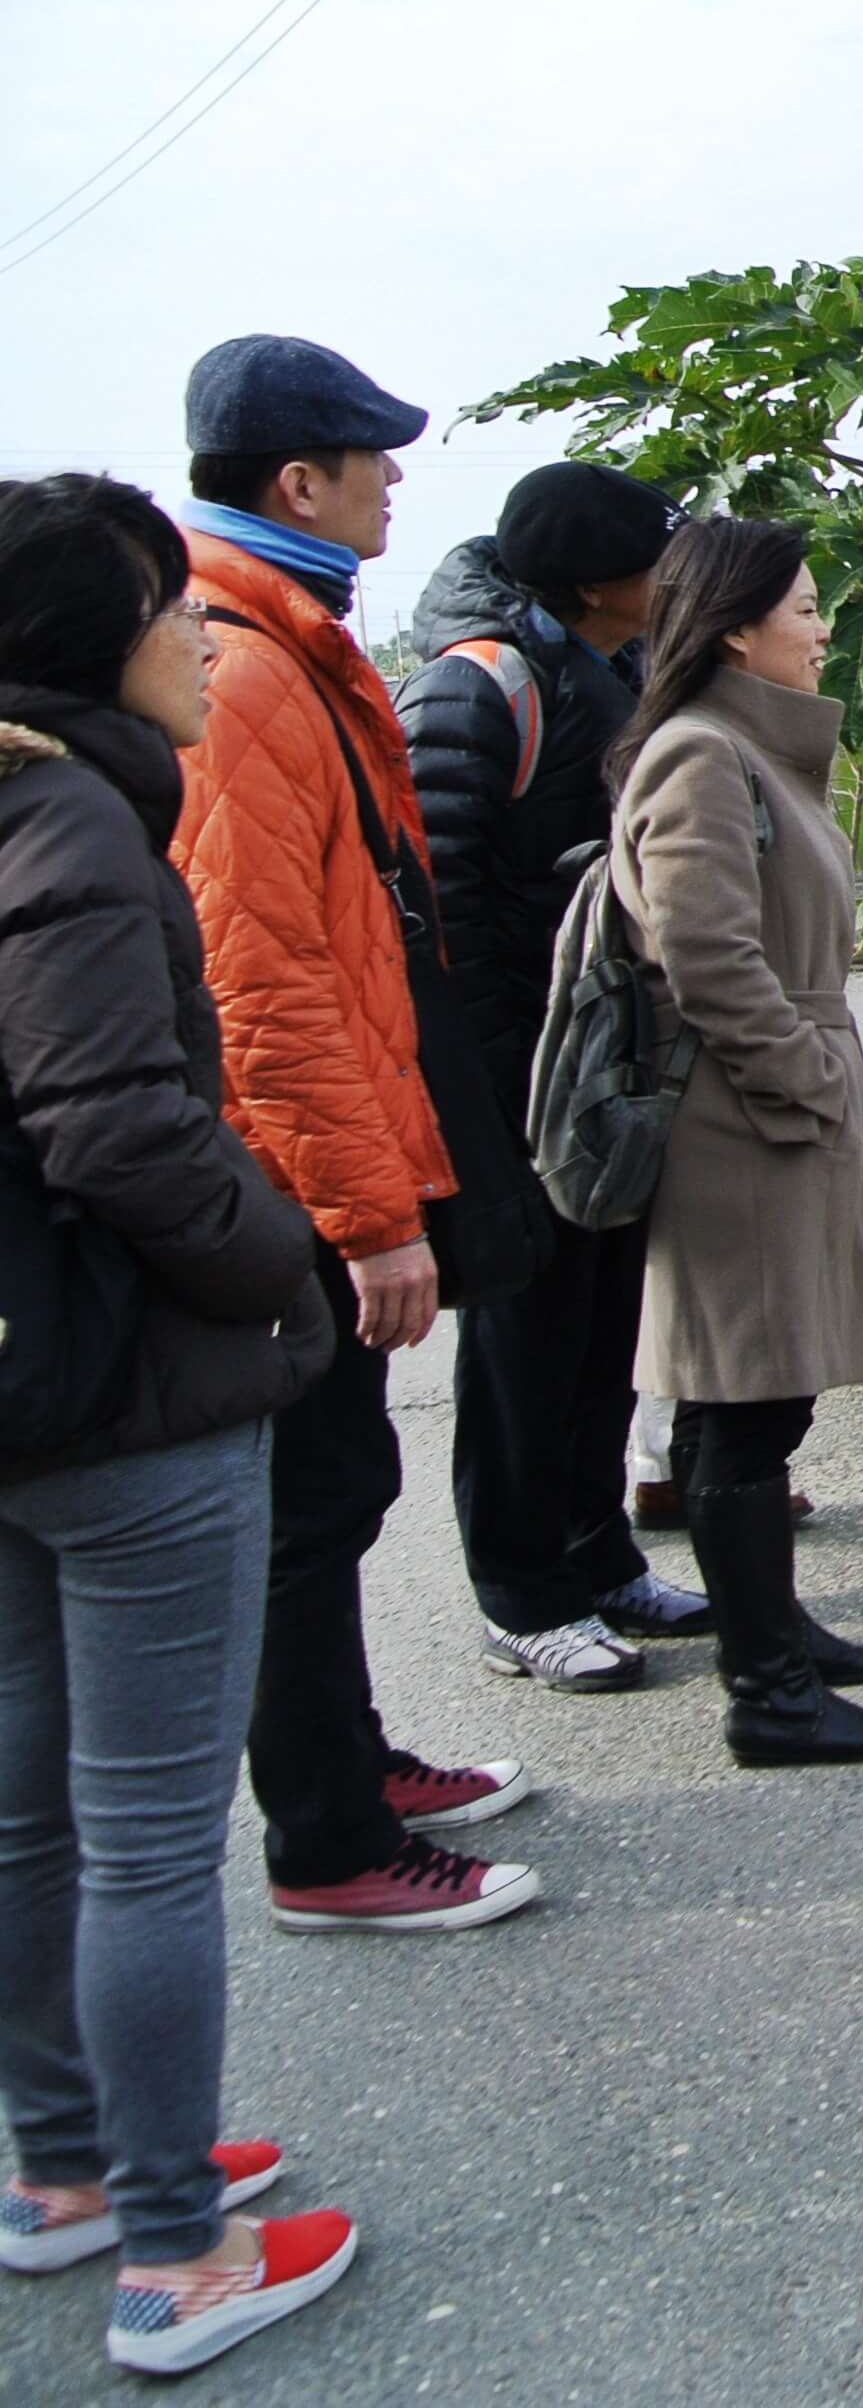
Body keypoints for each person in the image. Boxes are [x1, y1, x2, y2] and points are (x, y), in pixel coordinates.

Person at [0, 476, 363, 2374]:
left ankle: (65, 2168)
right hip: (132, 1396)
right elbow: (112, 1123)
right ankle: (177, 2249)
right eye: (173, 610)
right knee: (145, 1837)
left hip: (21, 1392)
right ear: (97, 637)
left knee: (28, 1810)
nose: (201, 642)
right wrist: (275, 1254)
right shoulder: (67, 812)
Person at [173, 334, 537, 1935]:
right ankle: (325, 1840)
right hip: (292, 1181)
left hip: (317, 1157)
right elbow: (261, 983)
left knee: (334, 1488)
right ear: (296, 482)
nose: (394, 480)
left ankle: (350, 1764)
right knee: (310, 1503)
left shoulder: (284, 639)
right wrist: (367, 1212)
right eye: (369, 455)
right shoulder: (245, 668)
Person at [396, 462, 717, 1693]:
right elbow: (439, 913)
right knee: (522, 1346)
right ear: (593, 582)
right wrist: (488, 1093)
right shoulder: (478, 687)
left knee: (597, 1328)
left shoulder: (612, 666)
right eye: (659, 558)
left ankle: (598, 1558)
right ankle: (522, 1597)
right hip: (516, 1080)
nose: (677, 577)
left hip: (599, 1065)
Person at [609, 517, 863, 1768]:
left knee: (752, 1398)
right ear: (737, 629)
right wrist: (803, 1081)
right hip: (743, 1126)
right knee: (740, 1404)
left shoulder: (741, 748)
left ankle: (775, 1631)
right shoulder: (702, 754)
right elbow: (703, 957)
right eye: (801, 606)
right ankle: (768, 1694)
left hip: (772, 1113)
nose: (821, 625)